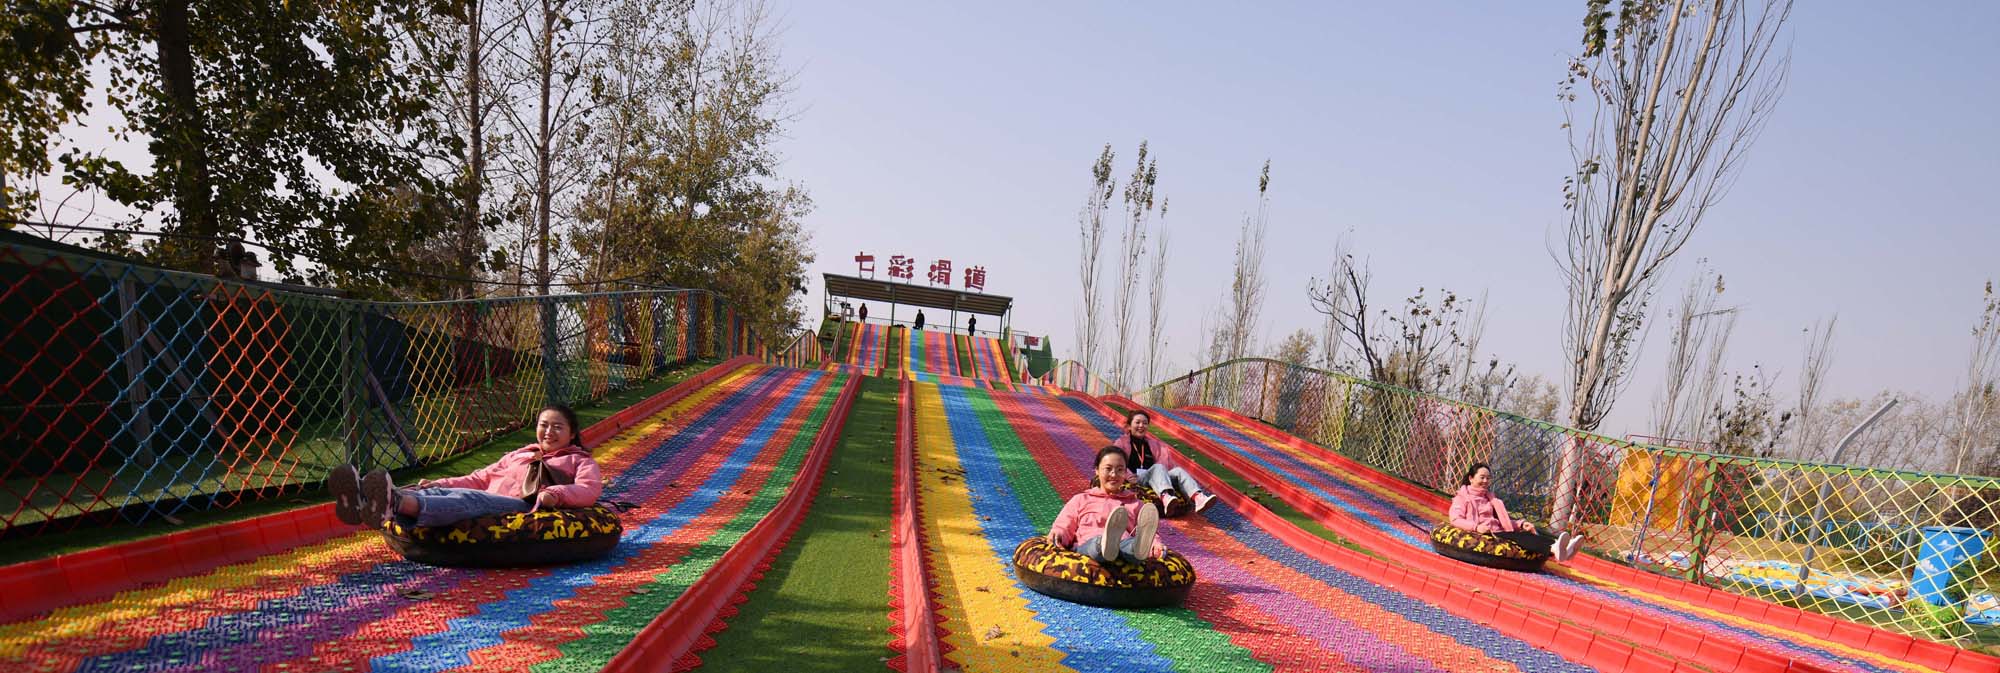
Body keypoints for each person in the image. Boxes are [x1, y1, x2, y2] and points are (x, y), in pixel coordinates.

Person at [330, 404, 605, 528]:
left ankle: (395, 503)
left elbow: (589, 489)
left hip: (523, 504)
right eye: (544, 425)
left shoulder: (580, 460)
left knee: (470, 500)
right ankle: (362, 496)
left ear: (572, 433)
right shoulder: (521, 454)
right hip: (489, 495)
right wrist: (440, 483)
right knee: (441, 493)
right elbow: (480, 477)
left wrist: (555, 494)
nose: (548, 432)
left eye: (557, 427)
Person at [1048, 447, 1165, 564]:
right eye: (1108, 469)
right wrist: (1059, 534)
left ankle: (1137, 549)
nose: (1114, 474)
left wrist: (1154, 544)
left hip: (1123, 546)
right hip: (1089, 545)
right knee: (1096, 544)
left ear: (1125, 473)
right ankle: (1104, 544)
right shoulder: (1081, 499)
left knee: (1131, 545)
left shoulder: (1135, 503)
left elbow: (1150, 532)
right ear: (1097, 470)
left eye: (1120, 470)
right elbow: (1065, 523)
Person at [1449, 463, 1583, 562]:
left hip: (1499, 530)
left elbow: (1502, 521)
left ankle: (1563, 549)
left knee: (1528, 532)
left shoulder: (1491, 498)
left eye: (1488, 478)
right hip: (1488, 533)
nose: (1485, 481)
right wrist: (1476, 527)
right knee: (1521, 537)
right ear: (1471, 478)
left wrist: (1520, 524)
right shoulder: (1462, 498)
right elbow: (1455, 519)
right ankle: (1554, 549)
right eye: (1482, 477)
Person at [1113, 410, 1215, 514]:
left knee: (1178, 470)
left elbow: (1166, 464)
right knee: (1158, 467)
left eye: (1145, 423)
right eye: (1137, 422)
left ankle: (1198, 498)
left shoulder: (1154, 444)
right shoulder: (1121, 443)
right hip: (1137, 479)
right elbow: (1117, 462)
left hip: (1156, 479)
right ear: (1129, 426)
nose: (1141, 426)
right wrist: (1129, 476)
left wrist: (1167, 474)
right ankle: (1165, 497)